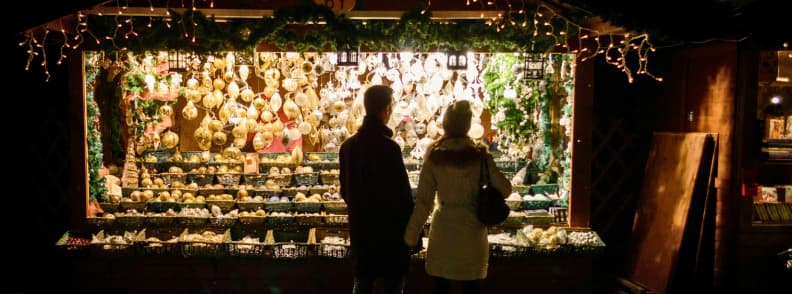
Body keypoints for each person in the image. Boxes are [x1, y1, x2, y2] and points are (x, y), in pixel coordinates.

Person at [403, 100, 512, 294]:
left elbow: (423, 203)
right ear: (468, 124)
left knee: (440, 288)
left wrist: (411, 236)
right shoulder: (481, 155)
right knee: (471, 287)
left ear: (445, 123)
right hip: (473, 232)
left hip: (443, 232)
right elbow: (505, 189)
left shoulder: (435, 156)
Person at [339, 85, 416, 294]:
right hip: (390, 235)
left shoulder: (347, 147)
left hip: (362, 232)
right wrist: (412, 234)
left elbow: (344, 190)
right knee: (393, 286)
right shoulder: (390, 148)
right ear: (386, 109)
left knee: (362, 284)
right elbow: (403, 195)